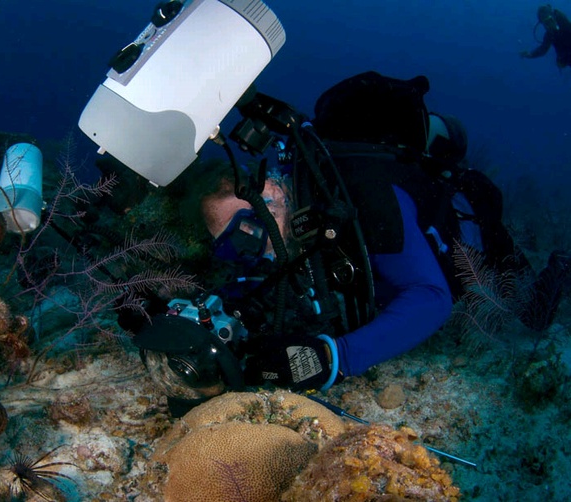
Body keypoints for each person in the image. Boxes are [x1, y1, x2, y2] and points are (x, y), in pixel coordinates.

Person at [129, 71, 571, 416]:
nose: (252, 252)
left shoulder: (360, 194)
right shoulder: (288, 231)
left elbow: (432, 298)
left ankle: (562, 265)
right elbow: (247, 295)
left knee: (532, 315)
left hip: (469, 234)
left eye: (249, 229)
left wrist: (335, 358)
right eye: (231, 246)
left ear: (275, 195)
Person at [520, 4, 571, 69]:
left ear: (554, 17)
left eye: (550, 20)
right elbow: (543, 49)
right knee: (561, 62)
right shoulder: (549, 35)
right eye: (546, 23)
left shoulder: (565, 24)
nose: (549, 25)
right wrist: (530, 54)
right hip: (566, 59)